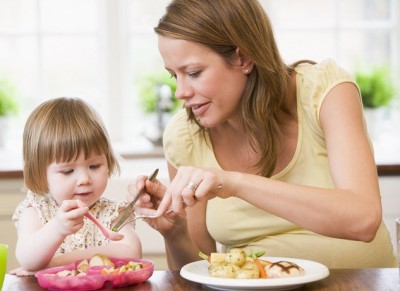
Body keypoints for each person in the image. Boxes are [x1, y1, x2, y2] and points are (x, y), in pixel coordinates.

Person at [131, 0, 397, 270]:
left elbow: (363, 220)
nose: (181, 93)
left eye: (194, 73)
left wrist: (233, 183)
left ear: (243, 58)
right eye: (174, 76)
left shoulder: (324, 92)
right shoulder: (185, 136)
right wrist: (175, 231)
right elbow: (202, 271)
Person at [11, 97, 141, 275]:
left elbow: (132, 252)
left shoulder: (111, 213)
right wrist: (57, 228)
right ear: (41, 173)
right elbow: (27, 258)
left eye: (94, 166)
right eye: (67, 171)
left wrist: (53, 265)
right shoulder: (36, 211)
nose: (84, 179)